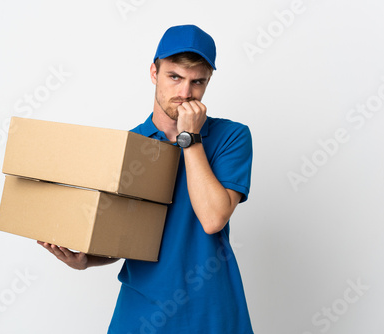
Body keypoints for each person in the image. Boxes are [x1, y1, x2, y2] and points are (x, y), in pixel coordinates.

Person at [38, 24, 254, 334]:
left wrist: (190, 136)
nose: (184, 93)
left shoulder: (231, 137)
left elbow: (213, 218)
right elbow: (123, 241)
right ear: (154, 72)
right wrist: (86, 260)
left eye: (197, 82)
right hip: (142, 312)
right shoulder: (129, 145)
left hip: (211, 310)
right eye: (174, 76)